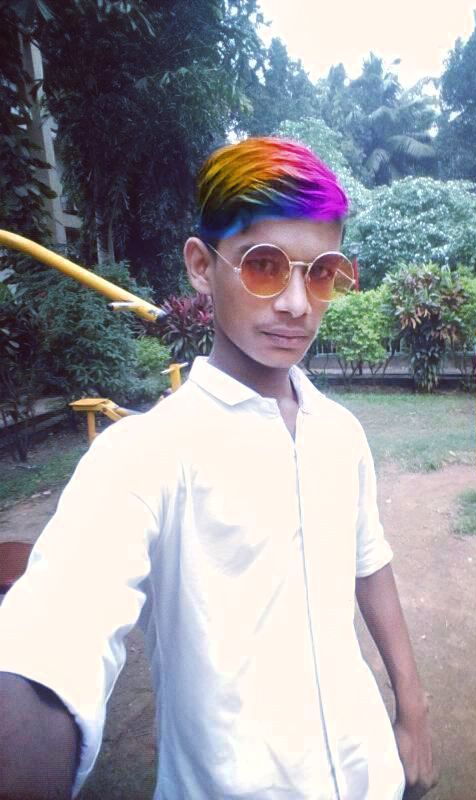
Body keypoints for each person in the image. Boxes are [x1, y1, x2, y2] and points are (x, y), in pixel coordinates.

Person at [0, 137, 437, 800]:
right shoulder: (146, 456)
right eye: (264, 266)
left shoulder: (340, 433)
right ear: (202, 267)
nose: (296, 304)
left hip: (368, 772)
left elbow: (369, 563)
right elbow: (53, 636)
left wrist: (412, 705)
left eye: (320, 273)